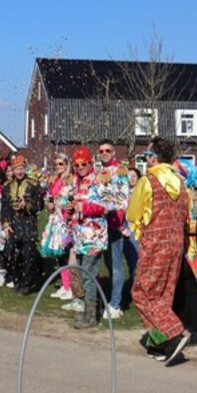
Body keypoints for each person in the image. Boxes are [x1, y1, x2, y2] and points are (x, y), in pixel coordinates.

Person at [126, 138, 190, 366]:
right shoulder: (180, 182)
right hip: (176, 244)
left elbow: (133, 213)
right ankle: (160, 345)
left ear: (154, 158)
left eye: (147, 155)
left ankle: (173, 333)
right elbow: (186, 214)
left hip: (155, 243)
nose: (146, 160)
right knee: (164, 295)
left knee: (142, 292)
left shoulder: (148, 181)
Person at [66, 147, 108, 328]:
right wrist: (70, 209)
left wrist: (85, 208)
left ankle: (91, 315)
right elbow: (72, 204)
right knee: (84, 273)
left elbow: (106, 205)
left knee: (89, 274)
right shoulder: (76, 181)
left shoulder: (98, 180)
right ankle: (89, 310)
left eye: (84, 164)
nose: (80, 167)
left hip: (94, 236)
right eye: (77, 165)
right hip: (80, 236)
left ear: (90, 163)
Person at [96, 139, 134, 318]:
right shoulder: (99, 171)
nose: (104, 153)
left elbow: (123, 199)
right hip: (101, 224)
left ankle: (116, 304)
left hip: (115, 224)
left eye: (107, 150)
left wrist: (117, 222)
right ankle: (114, 295)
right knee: (109, 263)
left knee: (117, 263)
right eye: (101, 151)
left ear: (113, 152)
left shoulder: (120, 171)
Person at [173, 155, 197, 346]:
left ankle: (195, 329)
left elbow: (196, 221)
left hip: (190, 247)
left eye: (177, 173)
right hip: (185, 245)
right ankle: (181, 323)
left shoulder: (191, 194)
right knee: (180, 287)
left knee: (188, 288)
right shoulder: (194, 193)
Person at [1, 155, 42, 294]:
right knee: (10, 253)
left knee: (27, 255)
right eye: (16, 169)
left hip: (28, 225)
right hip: (13, 225)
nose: (19, 171)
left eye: (21, 168)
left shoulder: (33, 185)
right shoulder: (7, 186)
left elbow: (40, 205)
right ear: (12, 170)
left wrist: (27, 205)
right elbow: (4, 207)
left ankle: (27, 283)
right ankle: (17, 278)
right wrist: (5, 224)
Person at [41, 153, 75, 298]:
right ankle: (65, 285)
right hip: (56, 219)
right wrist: (50, 205)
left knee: (67, 253)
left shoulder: (71, 180)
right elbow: (51, 198)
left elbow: (71, 199)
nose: (58, 167)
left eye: (61, 164)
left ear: (67, 164)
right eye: (56, 164)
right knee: (59, 254)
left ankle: (72, 286)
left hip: (66, 221)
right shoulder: (55, 180)